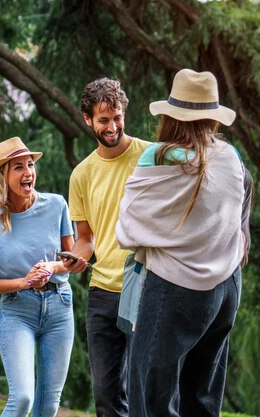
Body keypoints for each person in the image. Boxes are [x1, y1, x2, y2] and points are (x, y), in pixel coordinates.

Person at [115, 68, 253, 417]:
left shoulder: (158, 158)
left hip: (177, 289)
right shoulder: (231, 157)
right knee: (202, 399)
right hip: (226, 288)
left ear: (171, 116)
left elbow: (128, 228)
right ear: (211, 116)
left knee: (151, 398)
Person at [0, 137, 83, 417]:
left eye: (30, 165)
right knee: (21, 399)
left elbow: (69, 259)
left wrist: (52, 268)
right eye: (18, 167)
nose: (28, 172)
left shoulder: (56, 205)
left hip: (59, 307)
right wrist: (25, 282)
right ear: (2, 176)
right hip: (17, 310)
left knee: (49, 405)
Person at [67, 78, 149, 417]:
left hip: (146, 286)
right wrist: (75, 258)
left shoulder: (150, 155)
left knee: (146, 389)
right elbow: (86, 239)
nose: (112, 126)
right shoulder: (81, 174)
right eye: (103, 120)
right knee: (106, 394)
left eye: (117, 117)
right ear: (88, 119)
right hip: (103, 292)